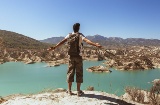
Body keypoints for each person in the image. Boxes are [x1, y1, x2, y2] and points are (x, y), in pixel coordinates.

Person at [47, 23, 102, 96]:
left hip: (71, 56)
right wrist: (95, 44)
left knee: (70, 72)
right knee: (79, 73)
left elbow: (62, 42)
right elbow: (87, 41)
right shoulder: (80, 35)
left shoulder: (69, 35)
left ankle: (69, 91)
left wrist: (54, 47)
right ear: (78, 28)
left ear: (73, 28)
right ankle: (78, 91)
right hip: (78, 56)